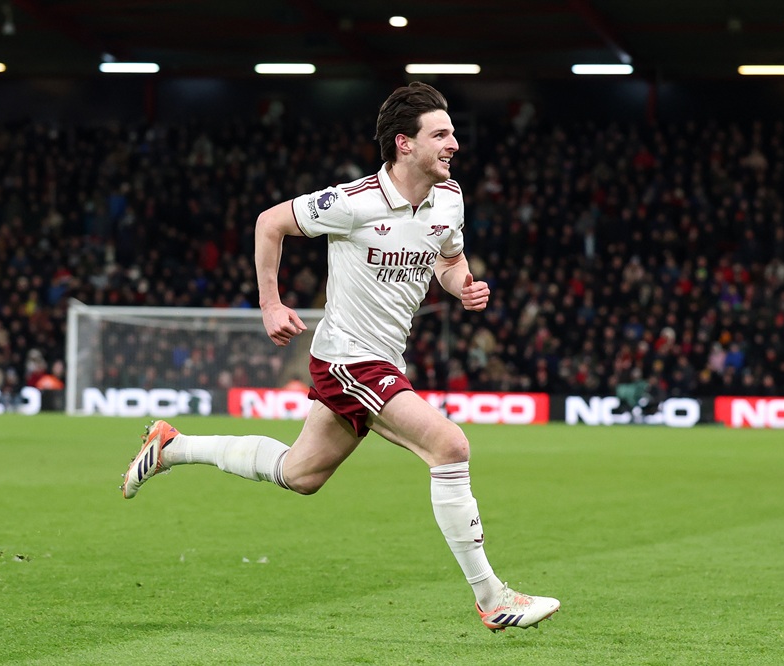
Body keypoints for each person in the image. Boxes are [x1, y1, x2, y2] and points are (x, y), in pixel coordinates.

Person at [121, 82, 560, 632]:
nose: (454, 144)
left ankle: (172, 447)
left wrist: (462, 285)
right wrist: (270, 304)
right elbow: (268, 223)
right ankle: (492, 598)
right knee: (449, 445)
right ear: (404, 143)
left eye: (452, 133)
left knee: (300, 474)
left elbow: (449, 258)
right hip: (348, 359)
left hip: (382, 362)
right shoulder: (352, 203)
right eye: (441, 134)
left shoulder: (450, 199)